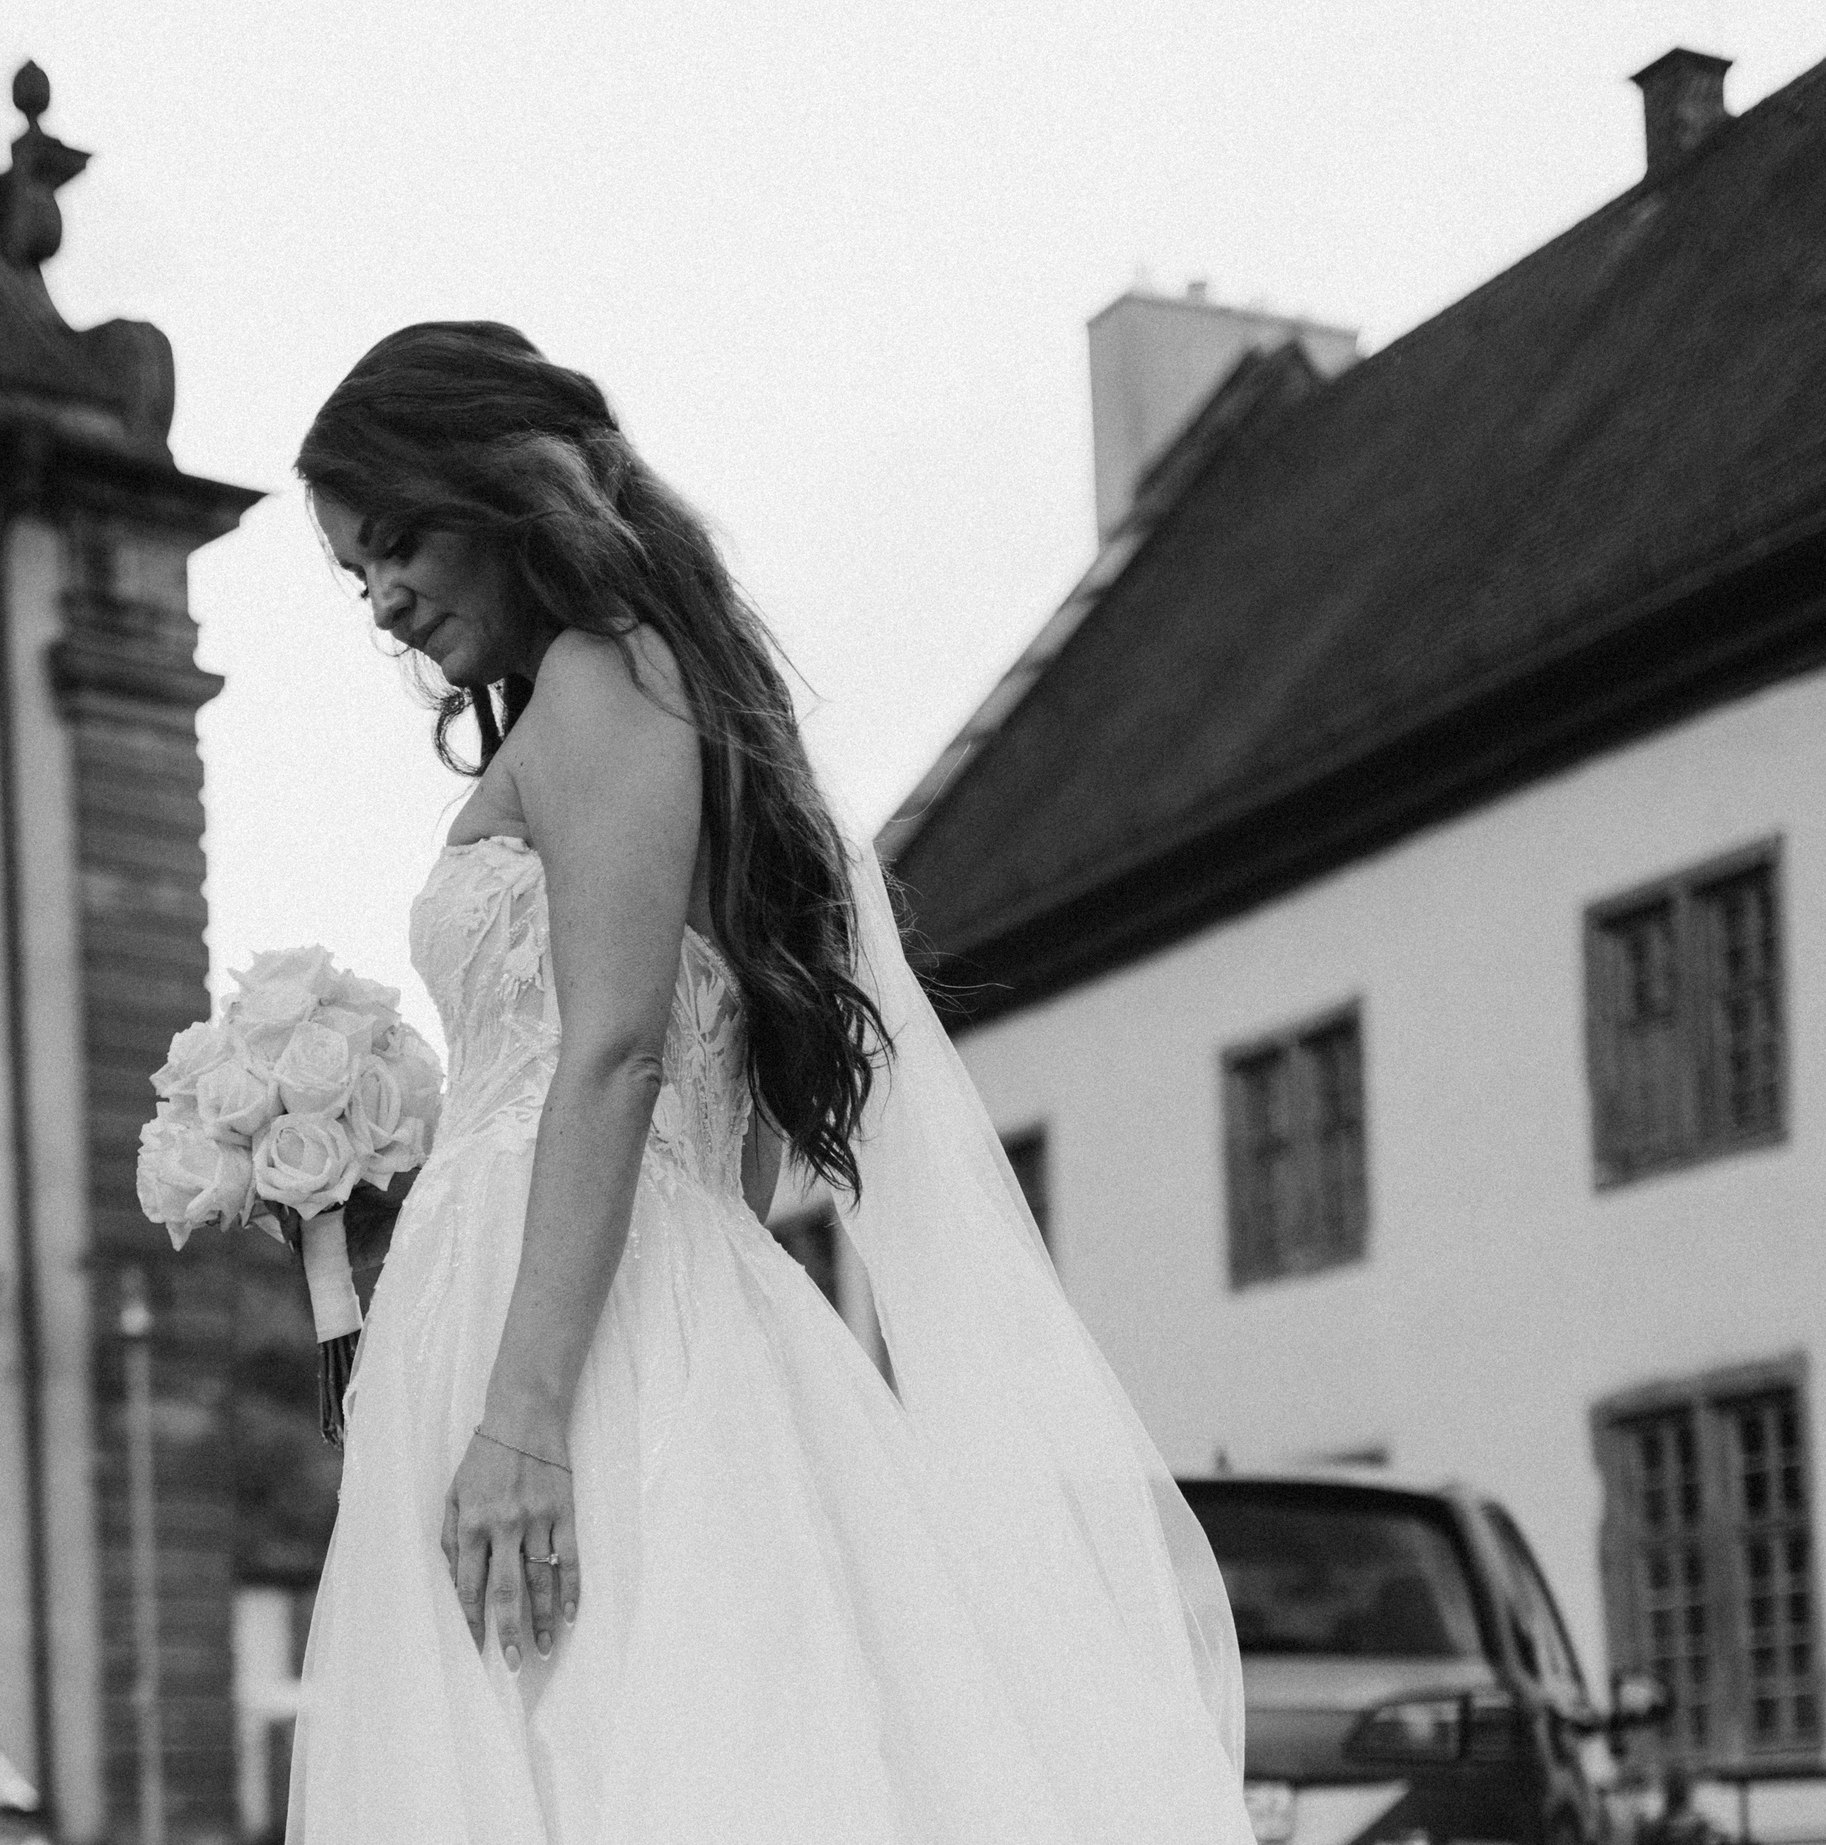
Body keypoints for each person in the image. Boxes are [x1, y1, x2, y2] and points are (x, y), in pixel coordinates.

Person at [286, 320, 1255, 1843]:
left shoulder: (603, 681)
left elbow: (611, 1057)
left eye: (399, 539)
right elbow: (706, 1110)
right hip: (584, 1301)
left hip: (577, 1348)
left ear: (504, 485)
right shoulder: (632, 698)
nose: (386, 596)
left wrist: (528, 1410)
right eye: (358, 574)